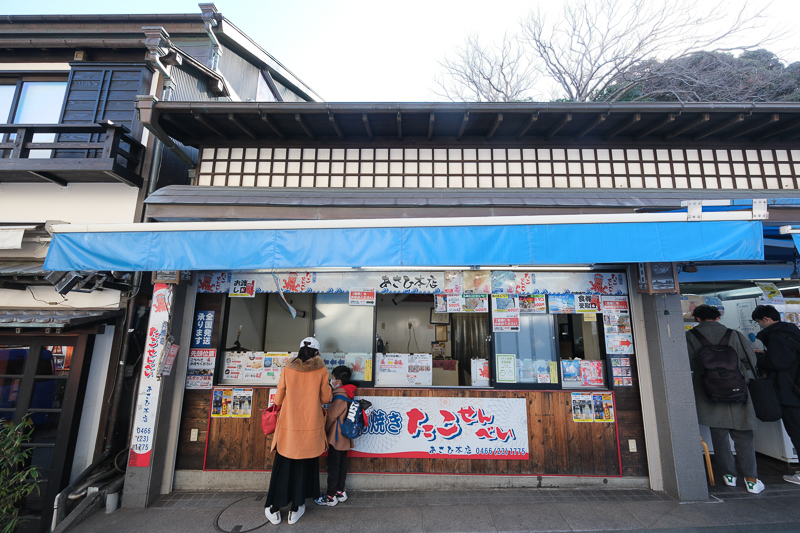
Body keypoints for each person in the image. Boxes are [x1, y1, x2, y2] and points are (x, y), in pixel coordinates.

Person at [685, 304, 764, 494]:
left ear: (697, 319)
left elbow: (689, 362)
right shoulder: (733, 334)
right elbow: (750, 361)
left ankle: (728, 476)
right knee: (744, 435)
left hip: (709, 389)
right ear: (718, 317)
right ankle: (751, 479)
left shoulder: (691, 336)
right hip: (737, 388)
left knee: (719, 435)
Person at [264, 337, 332, 525]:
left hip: (289, 425)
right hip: (311, 426)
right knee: (304, 465)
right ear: (317, 353)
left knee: (283, 464)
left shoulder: (287, 369)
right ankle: (296, 507)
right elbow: (326, 397)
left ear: (299, 350)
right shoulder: (321, 371)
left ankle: (274, 506)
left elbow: (278, 399)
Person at [751, 304, 800, 485]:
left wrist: (761, 358)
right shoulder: (791, 330)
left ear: (766, 319)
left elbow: (779, 363)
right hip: (796, 387)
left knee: (796, 430)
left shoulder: (775, 335)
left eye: (759, 322)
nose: (760, 326)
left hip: (789, 391)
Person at [315, 365, 357, 507]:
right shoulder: (349, 392)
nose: (331, 380)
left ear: (338, 381)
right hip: (345, 436)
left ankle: (331, 496)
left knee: (333, 466)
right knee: (342, 464)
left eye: (332, 378)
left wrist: (323, 432)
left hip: (336, 437)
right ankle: (340, 491)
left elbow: (332, 417)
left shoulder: (340, 395)